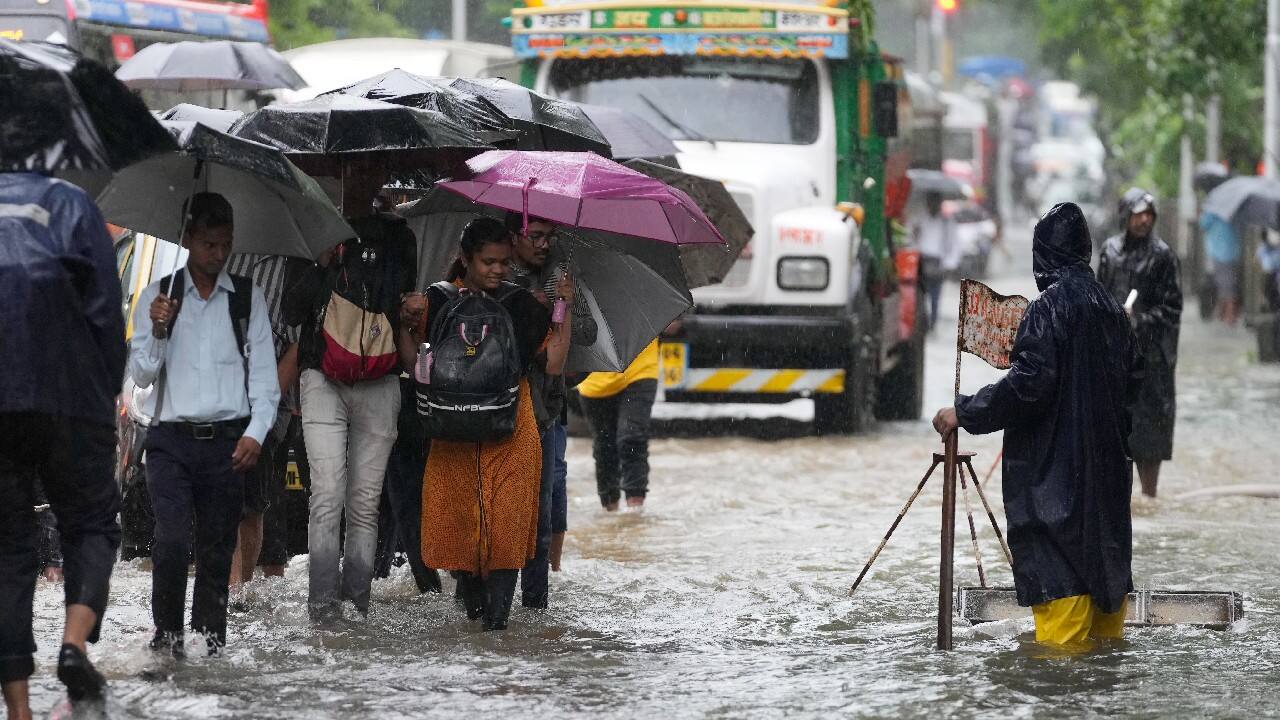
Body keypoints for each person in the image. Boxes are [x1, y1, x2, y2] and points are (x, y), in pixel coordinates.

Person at [932, 203, 1139, 647]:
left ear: (1042, 255)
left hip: (1056, 498)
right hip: (1106, 502)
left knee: (1059, 668)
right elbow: (1133, 393)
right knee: (1107, 652)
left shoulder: (1047, 311)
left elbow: (1029, 386)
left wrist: (964, 411)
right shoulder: (1114, 314)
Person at [128, 192, 280, 658]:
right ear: (188, 239)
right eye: (209, 244)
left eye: (225, 245)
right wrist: (157, 331)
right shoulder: (157, 297)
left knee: (217, 553)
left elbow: (265, 379)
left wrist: (256, 432)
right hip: (170, 441)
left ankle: (211, 647)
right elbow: (141, 375)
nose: (217, 254)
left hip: (228, 444)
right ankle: (167, 638)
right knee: (171, 542)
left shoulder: (246, 299)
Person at [0, 172, 125, 718]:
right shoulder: (72, 204)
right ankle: (73, 645)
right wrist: (108, 395)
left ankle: (19, 709)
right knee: (92, 523)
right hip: (73, 397)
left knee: (7, 551)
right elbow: (105, 311)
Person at [417, 218, 573, 630]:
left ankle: (496, 625)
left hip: (513, 427)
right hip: (453, 429)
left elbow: (553, 362)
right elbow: (416, 364)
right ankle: (477, 619)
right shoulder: (436, 300)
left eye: (504, 262)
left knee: (507, 527)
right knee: (461, 525)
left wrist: (563, 307)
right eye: (488, 262)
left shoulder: (523, 304)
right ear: (465, 258)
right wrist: (404, 322)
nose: (498, 270)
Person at [283, 162, 420, 621]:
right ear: (336, 176)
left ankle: (356, 608)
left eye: (369, 169)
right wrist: (323, 260)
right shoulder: (311, 232)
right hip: (321, 377)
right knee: (326, 495)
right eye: (352, 170)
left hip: (380, 381)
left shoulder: (398, 237)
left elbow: (401, 302)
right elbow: (292, 308)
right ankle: (322, 611)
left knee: (364, 501)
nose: (361, 179)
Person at [505, 214, 592, 606]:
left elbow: (571, 351)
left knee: (545, 504)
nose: (543, 244)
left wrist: (564, 306)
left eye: (549, 237)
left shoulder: (561, 277)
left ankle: (535, 602)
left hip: (544, 407)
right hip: (496, 408)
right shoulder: (486, 283)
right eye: (535, 236)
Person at [224, 253, 305, 596]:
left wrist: (265, 404)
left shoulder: (293, 267)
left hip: (267, 400)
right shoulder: (221, 256)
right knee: (223, 500)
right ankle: (227, 600)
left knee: (252, 505)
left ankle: (240, 594)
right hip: (216, 398)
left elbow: (298, 345)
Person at [1099, 188, 1182, 498]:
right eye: (1137, 214)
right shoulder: (1110, 252)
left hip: (1152, 360)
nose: (1143, 220)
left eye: (1148, 214)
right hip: (1115, 358)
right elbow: (1097, 296)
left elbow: (1172, 309)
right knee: (1113, 429)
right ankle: (1118, 500)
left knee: (1150, 432)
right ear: (1125, 217)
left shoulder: (1163, 257)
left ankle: (1149, 496)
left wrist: (1139, 320)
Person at [577, 339, 660, 511]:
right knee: (604, 448)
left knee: (632, 438)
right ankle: (610, 510)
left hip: (639, 369)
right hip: (593, 377)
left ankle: (634, 512)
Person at [912, 192, 958, 331]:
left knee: (935, 296)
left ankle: (933, 322)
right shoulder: (921, 219)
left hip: (938, 262)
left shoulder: (946, 222)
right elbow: (913, 238)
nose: (933, 205)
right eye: (931, 202)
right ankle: (922, 322)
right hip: (923, 260)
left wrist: (950, 263)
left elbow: (953, 243)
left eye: (936, 202)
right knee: (920, 295)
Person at [1199, 211, 1240, 325]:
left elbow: (1203, 224)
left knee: (1225, 285)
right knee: (1228, 283)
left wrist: (1201, 214)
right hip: (1233, 251)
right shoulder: (1233, 210)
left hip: (1219, 252)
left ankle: (1229, 315)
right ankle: (1224, 313)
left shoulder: (1213, 211)